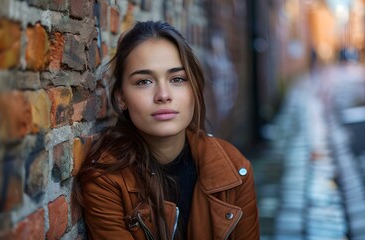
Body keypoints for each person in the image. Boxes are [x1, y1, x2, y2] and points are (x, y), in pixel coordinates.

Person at [73, 21, 260, 240]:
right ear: (121, 98)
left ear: (195, 89)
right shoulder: (106, 180)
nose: (163, 94)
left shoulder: (236, 169)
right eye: (144, 81)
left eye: (177, 79)